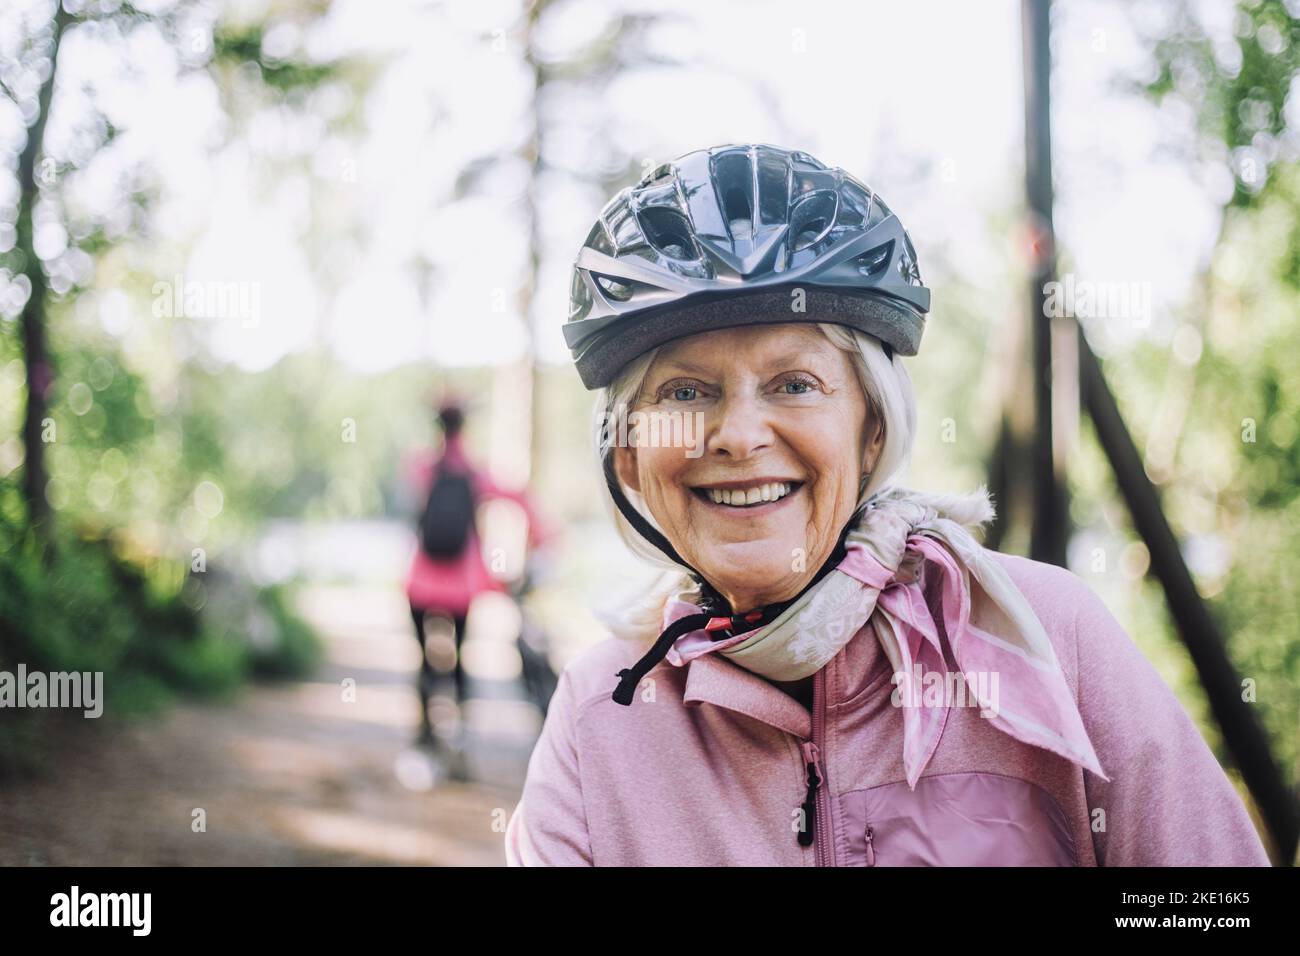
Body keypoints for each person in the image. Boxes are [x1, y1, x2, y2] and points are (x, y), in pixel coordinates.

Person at [504, 143, 1272, 866]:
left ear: (873, 427)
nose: (738, 435)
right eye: (685, 391)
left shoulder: (1047, 636)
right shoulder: (601, 713)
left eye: (794, 384)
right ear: (630, 455)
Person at [404, 400, 548, 766]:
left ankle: (425, 734)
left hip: (421, 578)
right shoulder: (474, 472)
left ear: (438, 426)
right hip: (461, 583)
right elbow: (519, 497)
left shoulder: (422, 467)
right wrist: (541, 543)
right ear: (463, 428)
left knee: (424, 658)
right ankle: (461, 736)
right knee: (460, 656)